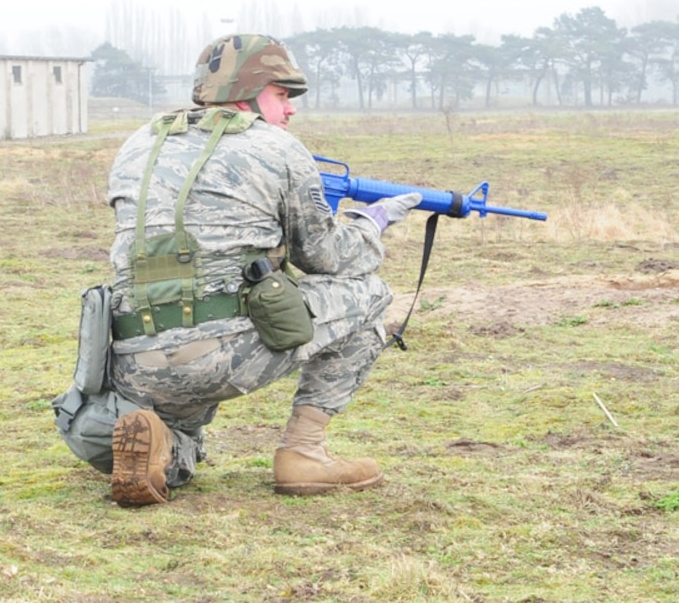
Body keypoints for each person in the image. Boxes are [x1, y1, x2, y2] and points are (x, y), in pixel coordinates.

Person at [52, 34, 420, 506]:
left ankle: (159, 448)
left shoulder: (138, 144)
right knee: (370, 293)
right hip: (224, 351)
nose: (290, 109)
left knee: (182, 438)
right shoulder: (278, 147)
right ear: (246, 92)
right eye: (282, 94)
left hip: (132, 361)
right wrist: (372, 223)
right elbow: (326, 258)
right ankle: (303, 453)